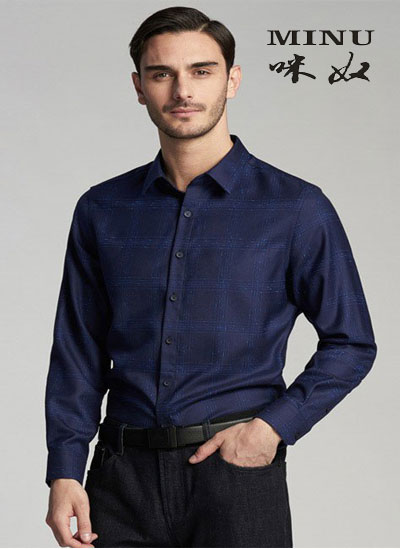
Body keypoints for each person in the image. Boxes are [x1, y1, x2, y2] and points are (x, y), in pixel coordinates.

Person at [44, 6, 377, 548]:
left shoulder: (296, 208)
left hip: (235, 478)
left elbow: (352, 343)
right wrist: (64, 469)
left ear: (232, 80)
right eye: (162, 73)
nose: (182, 90)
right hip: (119, 482)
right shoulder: (102, 210)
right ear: (139, 87)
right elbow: (78, 351)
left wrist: (272, 428)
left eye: (201, 71)